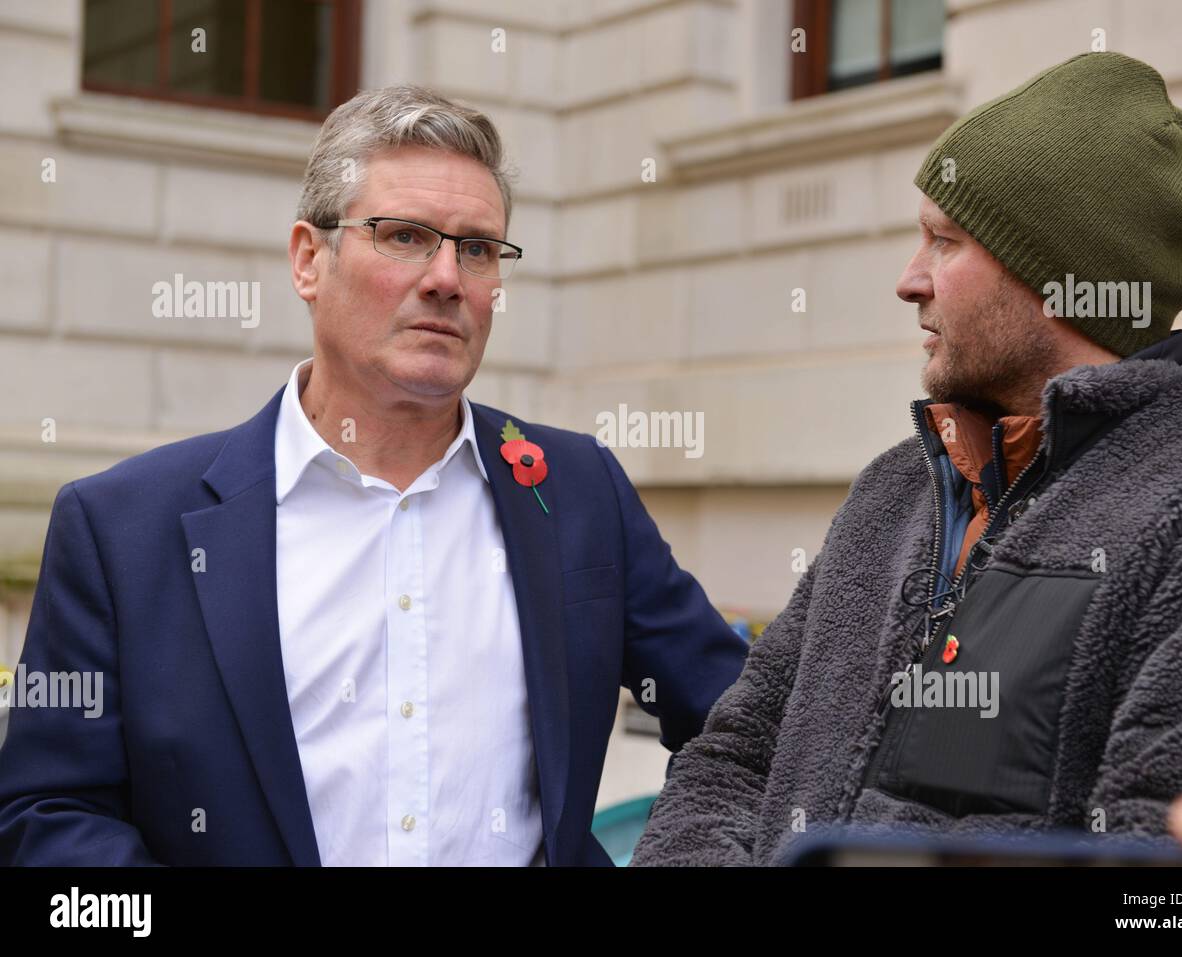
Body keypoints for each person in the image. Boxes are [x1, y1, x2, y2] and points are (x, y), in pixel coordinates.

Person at [0, 85, 748, 866]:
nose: (446, 277)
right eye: (404, 236)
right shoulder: (123, 528)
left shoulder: (576, 492)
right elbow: (48, 819)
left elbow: (752, 730)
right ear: (308, 259)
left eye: (478, 248)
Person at [632, 52, 1182, 866]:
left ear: (1056, 277)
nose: (909, 281)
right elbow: (731, 756)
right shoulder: (894, 490)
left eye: (943, 242)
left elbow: (1177, 881)